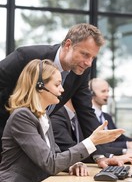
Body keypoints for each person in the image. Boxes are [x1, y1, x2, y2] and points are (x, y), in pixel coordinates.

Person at [0, 59, 125, 182]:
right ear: (40, 86)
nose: (62, 90)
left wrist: (72, 164)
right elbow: (50, 163)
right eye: (57, 84)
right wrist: (92, 141)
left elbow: (56, 154)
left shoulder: (43, 115)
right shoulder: (22, 117)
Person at [0, 23, 105, 160]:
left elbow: (85, 110)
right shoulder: (26, 56)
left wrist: (100, 155)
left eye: (92, 58)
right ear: (68, 45)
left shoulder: (81, 72)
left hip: (37, 143)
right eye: (85, 55)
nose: (88, 63)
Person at [51, 99, 132, 166]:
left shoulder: (78, 118)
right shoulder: (57, 116)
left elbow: (83, 148)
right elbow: (72, 150)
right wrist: (120, 153)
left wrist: (104, 157)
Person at [89, 78, 132, 154]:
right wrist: (128, 145)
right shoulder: (88, 117)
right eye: (103, 91)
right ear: (92, 93)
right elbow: (102, 144)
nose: (107, 95)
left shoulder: (107, 116)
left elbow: (120, 137)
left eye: (108, 91)